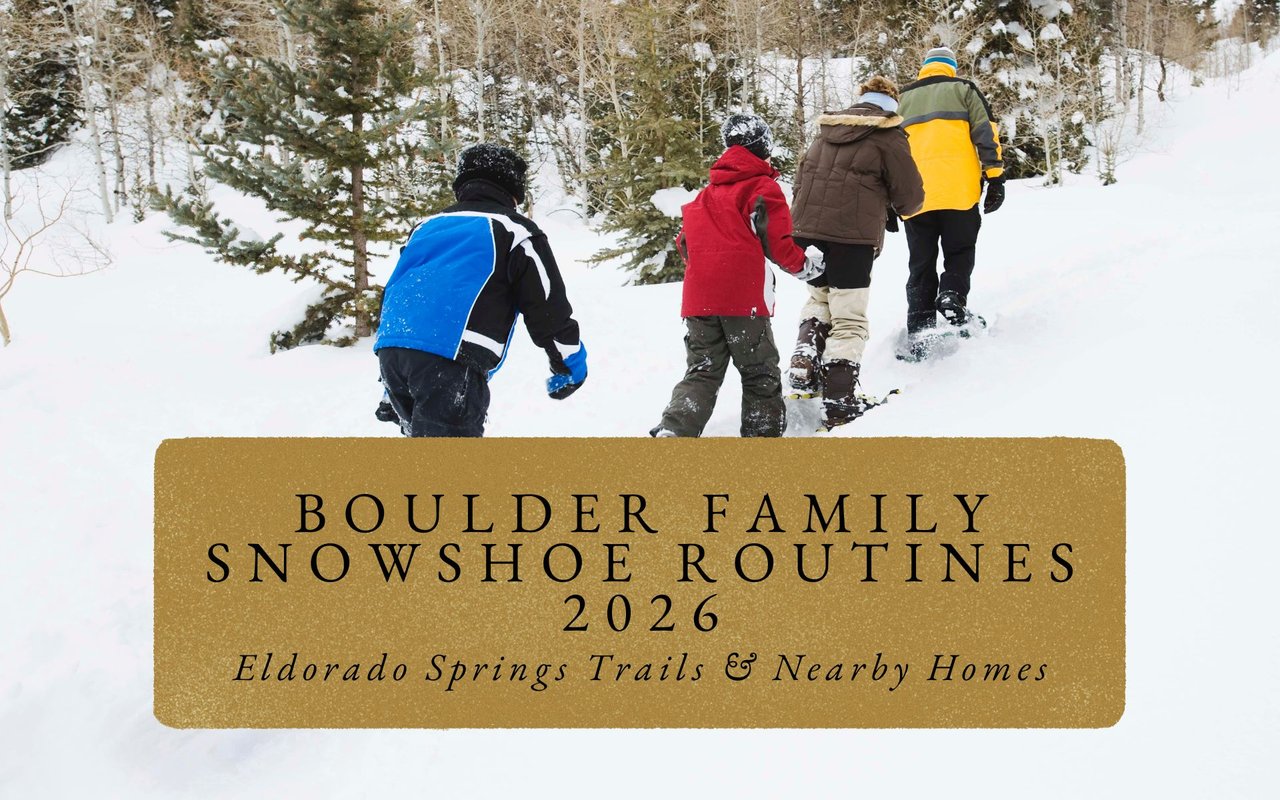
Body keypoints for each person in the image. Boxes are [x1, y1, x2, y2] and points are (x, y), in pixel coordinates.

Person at [374, 143, 587, 437]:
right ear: (513, 191)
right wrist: (569, 361)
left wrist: (390, 381)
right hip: (449, 359)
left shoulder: (425, 227)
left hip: (392, 351)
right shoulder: (515, 229)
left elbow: (400, 291)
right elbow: (546, 306)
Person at [650, 114, 823, 438]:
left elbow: (683, 242)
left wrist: (707, 271)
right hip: (742, 300)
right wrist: (806, 267)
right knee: (760, 372)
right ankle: (762, 440)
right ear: (762, 147)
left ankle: (675, 430)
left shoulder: (706, 194)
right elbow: (778, 243)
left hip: (698, 300)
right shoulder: (761, 188)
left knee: (702, 370)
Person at [787, 76, 924, 427]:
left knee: (820, 298)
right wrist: (894, 207)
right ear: (892, 105)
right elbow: (910, 197)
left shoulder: (826, 131)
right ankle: (840, 399)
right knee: (849, 316)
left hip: (807, 232)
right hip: (851, 238)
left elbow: (800, 179)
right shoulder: (888, 135)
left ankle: (804, 359)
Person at [896, 45, 1005, 357]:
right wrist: (995, 175)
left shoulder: (902, 99)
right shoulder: (964, 90)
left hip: (915, 198)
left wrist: (890, 198)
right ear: (951, 67)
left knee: (920, 263)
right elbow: (987, 132)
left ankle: (919, 333)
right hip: (960, 193)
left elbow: (888, 150)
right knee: (959, 251)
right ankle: (952, 296)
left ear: (925, 67)